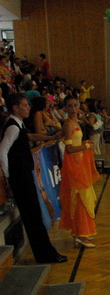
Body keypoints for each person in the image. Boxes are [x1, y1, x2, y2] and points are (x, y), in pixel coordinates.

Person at [0, 93, 67, 264]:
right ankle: (45, 254)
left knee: (34, 216)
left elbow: (30, 137)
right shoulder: (13, 127)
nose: (28, 108)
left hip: (23, 177)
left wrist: (51, 137)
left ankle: (45, 253)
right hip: (19, 178)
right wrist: (8, 176)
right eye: (24, 105)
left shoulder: (19, 125)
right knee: (33, 217)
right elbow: (3, 151)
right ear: (15, 108)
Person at [59, 95, 99, 248]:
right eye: (70, 106)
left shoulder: (77, 122)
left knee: (84, 198)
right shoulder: (68, 125)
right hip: (74, 167)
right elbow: (69, 149)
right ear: (65, 108)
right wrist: (85, 146)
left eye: (75, 105)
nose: (73, 109)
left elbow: (75, 143)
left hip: (80, 164)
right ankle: (80, 234)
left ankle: (82, 232)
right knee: (81, 199)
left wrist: (84, 143)